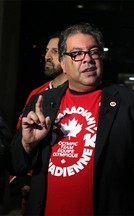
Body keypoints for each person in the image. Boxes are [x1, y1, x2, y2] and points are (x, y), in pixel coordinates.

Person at [8, 22, 134, 215]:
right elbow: (14, 164)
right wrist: (27, 145)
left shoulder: (133, 105)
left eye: (94, 52)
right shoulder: (42, 102)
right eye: (77, 54)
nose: (88, 59)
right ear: (63, 63)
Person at [10, 31, 67, 216]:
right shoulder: (37, 93)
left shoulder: (80, 95)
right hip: (35, 186)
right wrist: (22, 178)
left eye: (54, 51)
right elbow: (20, 137)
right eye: (46, 50)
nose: (47, 56)